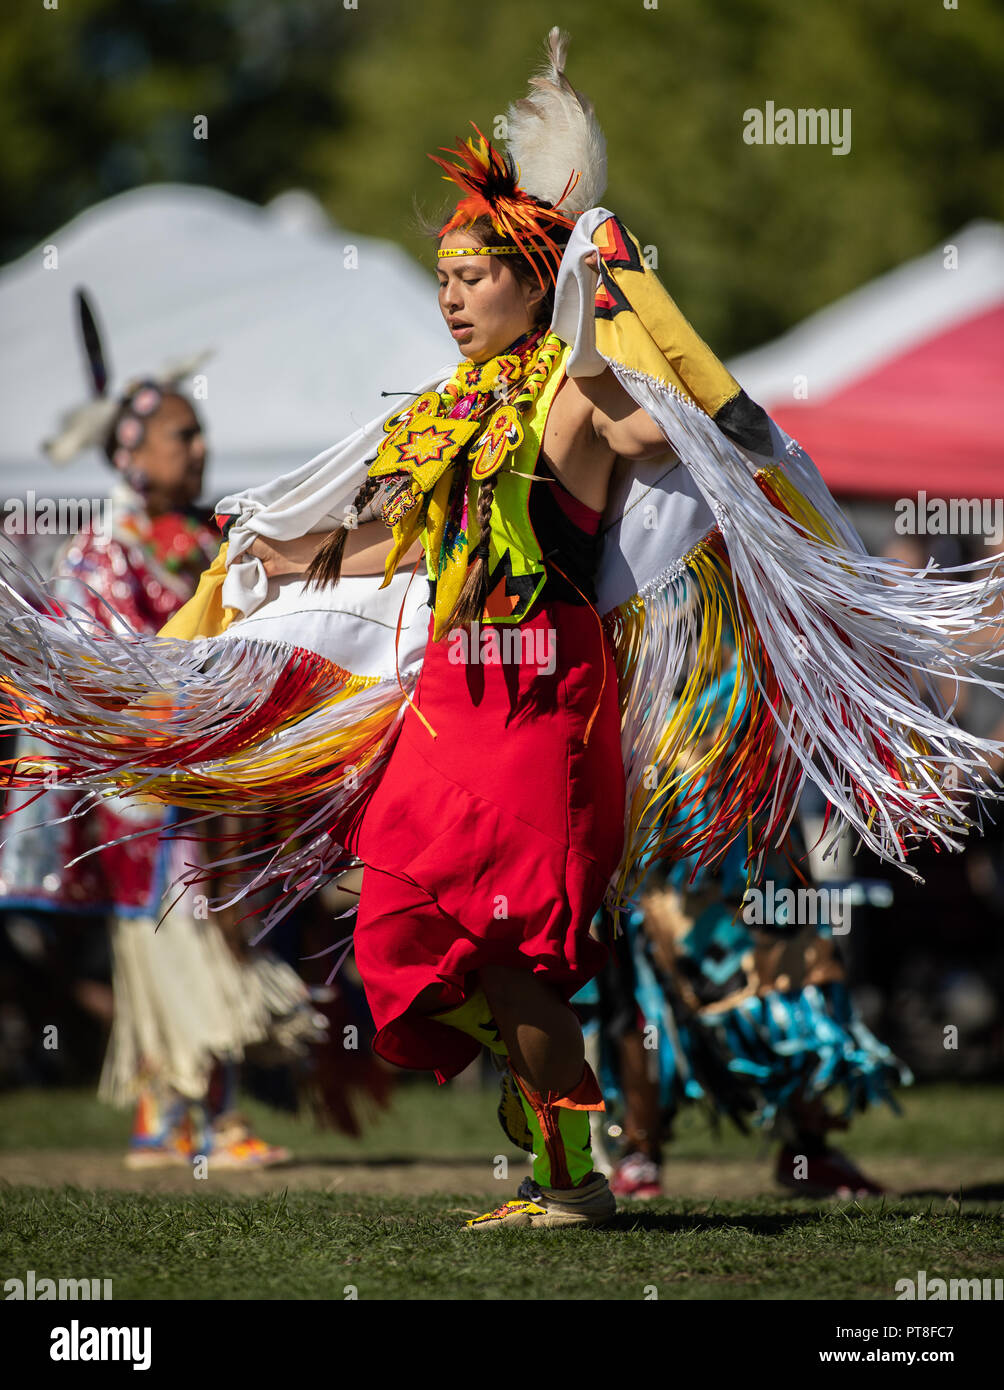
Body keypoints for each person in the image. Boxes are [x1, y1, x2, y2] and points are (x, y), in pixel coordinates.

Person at [4, 29, 1004, 1227]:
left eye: (472, 275)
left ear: (534, 282)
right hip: (446, 698)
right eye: (442, 277)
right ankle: (567, 1120)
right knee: (397, 939)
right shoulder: (442, 411)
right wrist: (289, 556)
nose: (450, 296)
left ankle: (567, 1176)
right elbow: (413, 545)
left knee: (512, 943)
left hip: (541, 693)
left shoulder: (578, 393)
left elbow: (684, 423)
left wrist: (623, 290)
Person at [0, 293, 320, 1167]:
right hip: (146, 797)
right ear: (132, 450)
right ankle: (207, 1123)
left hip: (202, 782)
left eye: (201, 434)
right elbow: (100, 680)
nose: (201, 449)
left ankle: (166, 1120)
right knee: (185, 948)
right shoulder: (102, 557)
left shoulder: (188, 543)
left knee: (190, 943)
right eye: (185, 435)